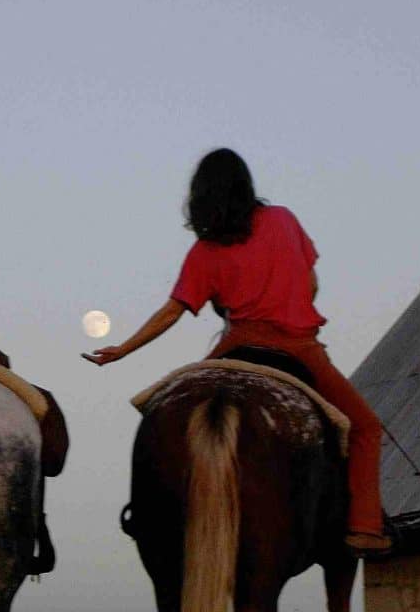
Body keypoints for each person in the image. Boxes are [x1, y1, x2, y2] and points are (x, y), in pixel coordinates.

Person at [83, 148, 391, 555]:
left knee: (163, 406)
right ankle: (365, 527)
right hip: (299, 348)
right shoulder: (284, 219)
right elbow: (312, 284)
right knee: (366, 428)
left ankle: (151, 512)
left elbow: (172, 311)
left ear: (200, 198)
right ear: (246, 185)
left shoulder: (205, 251)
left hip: (236, 344)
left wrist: (123, 350)